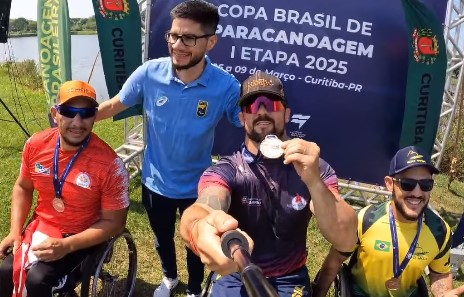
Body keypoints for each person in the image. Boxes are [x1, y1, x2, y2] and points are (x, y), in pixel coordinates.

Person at [95, 0, 241, 296]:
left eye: (188, 37)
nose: (177, 44)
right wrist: (76, 114)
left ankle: (196, 289)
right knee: (162, 238)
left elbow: (249, 123)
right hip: (155, 183)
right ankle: (170, 278)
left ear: (211, 41)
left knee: (197, 242)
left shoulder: (225, 85)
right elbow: (114, 105)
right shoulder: (149, 73)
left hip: (199, 187)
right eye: (173, 36)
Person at [179, 71, 358, 297]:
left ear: (287, 114)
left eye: (271, 103)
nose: (262, 111)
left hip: (290, 277)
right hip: (236, 274)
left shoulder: (314, 167)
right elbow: (203, 207)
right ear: (243, 118)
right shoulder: (229, 168)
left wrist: (313, 181)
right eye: (252, 106)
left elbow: (346, 238)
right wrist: (197, 229)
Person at [0, 80, 130, 297]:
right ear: (55, 113)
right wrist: (15, 231)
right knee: (4, 273)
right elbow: (23, 186)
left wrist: (67, 246)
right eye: (69, 112)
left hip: (82, 237)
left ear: (95, 115)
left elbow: (114, 224)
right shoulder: (35, 144)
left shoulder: (110, 165)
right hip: (41, 228)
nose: (77, 122)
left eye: (86, 113)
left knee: (38, 281)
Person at [312, 146, 464, 297]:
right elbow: (333, 264)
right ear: (390, 183)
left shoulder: (440, 231)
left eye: (426, 185)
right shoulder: (364, 220)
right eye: (407, 184)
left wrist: (444, 293)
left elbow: (440, 274)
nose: (417, 193)